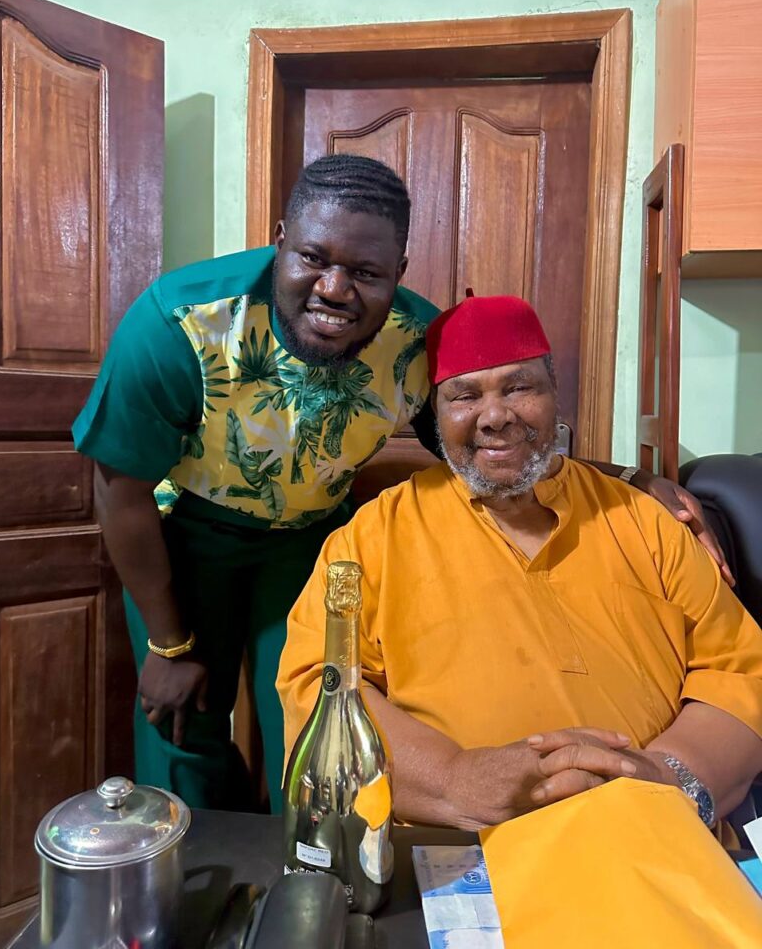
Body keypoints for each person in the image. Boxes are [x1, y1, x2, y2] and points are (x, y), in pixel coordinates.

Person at [74, 155, 727, 814]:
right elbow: (119, 490)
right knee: (182, 717)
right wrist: (167, 644)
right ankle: (187, 865)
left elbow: (493, 445)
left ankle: (296, 866)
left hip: (309, 540)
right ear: (280, 241)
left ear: (399, 272)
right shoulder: (182, 323)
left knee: (313, 730)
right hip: (185, 536)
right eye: (312, 258)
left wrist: (631, 479)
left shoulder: (417, 340)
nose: (334, 289)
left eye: (365, 272)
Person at [278, 294, 762, 832]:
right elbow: (315, 685)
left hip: (653, 837)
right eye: (464, 396)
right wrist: (452, 780)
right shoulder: (373, 536)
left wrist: (667, 777)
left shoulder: (647, 522)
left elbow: (740, 672)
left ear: (555, 393)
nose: (495, 417)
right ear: (437, 414)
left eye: (518, 388)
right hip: (457, 853)